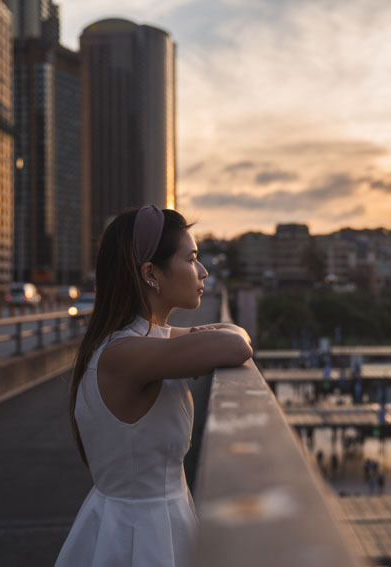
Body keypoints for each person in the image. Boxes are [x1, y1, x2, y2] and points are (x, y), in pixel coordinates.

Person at [55, 205, 253, 567]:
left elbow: (229, 335)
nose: (203, 271)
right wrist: (204, 337)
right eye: (192, 259)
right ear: (151, 273)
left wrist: (201, 337)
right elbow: (236, 343)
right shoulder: (125, 353)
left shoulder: (140, 340)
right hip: (143, 533)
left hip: (135, 520)